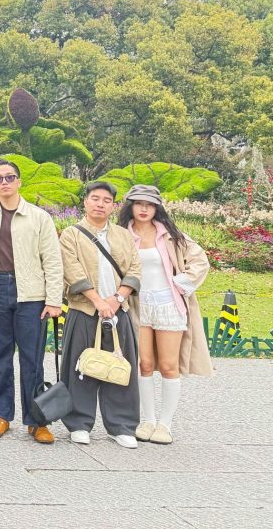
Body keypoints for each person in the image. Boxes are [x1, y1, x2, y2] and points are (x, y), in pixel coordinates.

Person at [0, 158, 63, 444]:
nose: (4, 182)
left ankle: (37, 420)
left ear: (19, 182)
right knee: (0, 356)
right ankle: (2, 414)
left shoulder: (38, 217)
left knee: (32, 359)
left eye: (9, 177)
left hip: (31, 294)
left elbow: (52, 260)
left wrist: (54, 299)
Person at [118, 184, 213, 444]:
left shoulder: (171, 235)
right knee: (144, 364)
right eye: (139, 203)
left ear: (157, 208)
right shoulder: (122, 236)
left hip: (168, 305)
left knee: (170, 366)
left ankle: (165, 424)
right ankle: (147, 420)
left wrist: (180, 284)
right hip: (138, 306)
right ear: (131, 206)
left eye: (149, 204)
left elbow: (200, 261)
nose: (144, 208)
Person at [59, 181, 143, 449]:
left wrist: (117, 299)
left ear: (113, 206)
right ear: (85, 202)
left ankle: (121, 426)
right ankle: (79, 423)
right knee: (80, 368)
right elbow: (71, 270)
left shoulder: (123, 235)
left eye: (107, 200)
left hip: (118, 310)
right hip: (84, 310)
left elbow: (135, 269)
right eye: (95, 198)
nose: (100, 204)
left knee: (121, 367)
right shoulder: (71, 234)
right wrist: (97, 301)